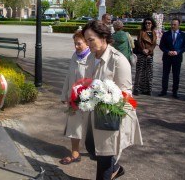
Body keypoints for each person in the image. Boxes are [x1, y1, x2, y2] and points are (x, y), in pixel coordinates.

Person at [81, 20, 142, 180]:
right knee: (91, 147)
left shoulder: (118, 60)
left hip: (110, 117)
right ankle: (116, 168)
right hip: (93, 115)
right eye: (86, 40)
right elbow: (88, 82)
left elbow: (126, 93)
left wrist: (108, 100)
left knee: (104, 158)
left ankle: (109, 170)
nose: (88, 44)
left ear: (103, 37)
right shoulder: (90, 58)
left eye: (91, 39)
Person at [60, 30, 91, 164]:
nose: (76, 47)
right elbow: (68, 76)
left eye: (79, 44)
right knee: (74, 125)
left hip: (88, 99)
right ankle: (75, 152)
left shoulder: (92, 58)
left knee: (90, 127)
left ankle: (97, 152)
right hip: (73, 98)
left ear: (87, 43)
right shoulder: (75, 56)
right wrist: (64, 94)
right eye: (75, 43)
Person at [158, 18, 185, 99]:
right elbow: (161, 45)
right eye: (172, 24)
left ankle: (175, 92)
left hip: (177, 58)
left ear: (179, 25)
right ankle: (164, 90)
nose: (173, 26)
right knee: (165, 75)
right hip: (167, 57)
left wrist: (178, 52)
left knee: (176, 75)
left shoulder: (183, 35)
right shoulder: (166, 34)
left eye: (175, 24)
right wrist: (167, 51)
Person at [133, 18, 157, 96]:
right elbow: (139, 42)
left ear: (152, 24)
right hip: (141, 53)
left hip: (150, 54)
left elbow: (154, 44)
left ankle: (147, 89)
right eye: (146, 23)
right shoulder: (141, 32)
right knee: (139, 72)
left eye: (149, 23)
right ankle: (137, 89)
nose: (147, 24)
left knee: (149, 72)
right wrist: (143, 49)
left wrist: (149, 51)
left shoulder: (154, 33)